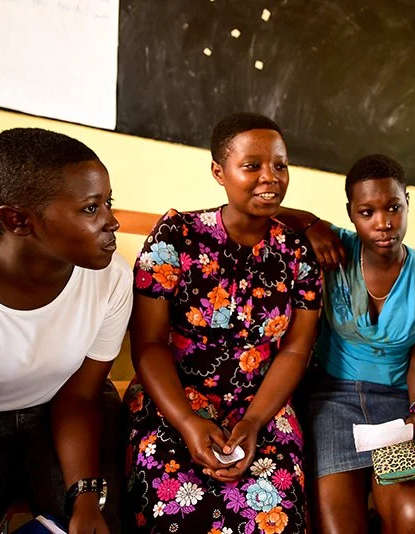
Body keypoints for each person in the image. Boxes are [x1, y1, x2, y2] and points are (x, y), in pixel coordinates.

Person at [124, 113, 322, 533]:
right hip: (174, 398)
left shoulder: (297, 254)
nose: (271, 177)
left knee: (276, 519)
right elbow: (149, 343)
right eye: (252, 165)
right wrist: (187, 422)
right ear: (219, 172)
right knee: (175, 515)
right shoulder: (176, 236)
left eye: (280, 165)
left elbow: (295, 349)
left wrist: (254, 422)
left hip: (262, 402)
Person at [0, 128, 132, 534]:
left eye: (108, 202)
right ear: (17, 220)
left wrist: (87, 499)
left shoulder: (113, 279)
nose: (112, 221)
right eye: (91, 208)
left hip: (67, 407)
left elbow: (81, 396)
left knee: (104, 524)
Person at [277, 154, 415, 534]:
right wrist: (311, 223)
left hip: (395, 406)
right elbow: (263, 212)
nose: (383, 223)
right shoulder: (335, 249)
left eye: (393, 208)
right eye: (367, 212)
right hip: (332, 398)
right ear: (351, 214)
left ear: (408, 202)